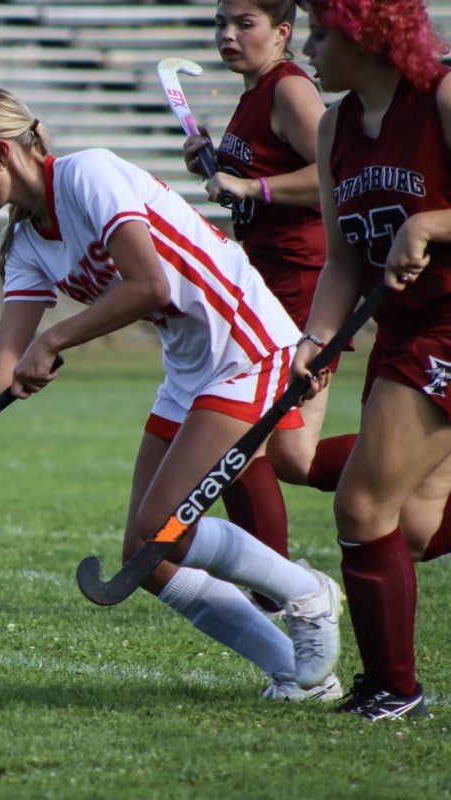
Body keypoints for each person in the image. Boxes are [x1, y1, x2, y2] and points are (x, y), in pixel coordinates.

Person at [0, 86, 344, 701]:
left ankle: (307, 593)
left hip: (246, 342)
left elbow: (149, 285)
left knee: (164, 527)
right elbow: (2, 364)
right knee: (145, 558)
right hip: (189, 369)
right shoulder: (26, 245)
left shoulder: (88, 174)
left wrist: (54, 341)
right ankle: (296, 671)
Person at [293, 0, 451, 720]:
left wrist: (430, 222)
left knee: (361, 506)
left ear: (364, 36)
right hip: (400, 334)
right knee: (410, 530)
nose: (308, 48)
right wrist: (315, 342)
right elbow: (342, 264)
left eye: (319, 34)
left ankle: (394, 690)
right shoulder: (334, 129)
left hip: (448, 330)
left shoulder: (442, 96)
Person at [182, 0, 353, 604]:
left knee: (250, 442)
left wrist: (249, 183)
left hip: (301, 285)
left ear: (283, 32)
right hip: (267, 285)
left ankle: (274, 588)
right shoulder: (255, 92)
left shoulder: (287, 88)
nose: (228, 35)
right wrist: (217, 165)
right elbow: (264, 178)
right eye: (221, 24)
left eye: (244, 24)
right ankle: (277, 585)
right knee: (285, 454)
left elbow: (338, 169)